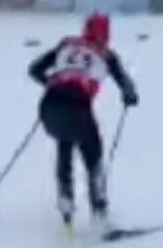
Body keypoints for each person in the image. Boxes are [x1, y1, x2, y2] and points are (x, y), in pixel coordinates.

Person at [28, 12, 139, 231]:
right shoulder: (107, 55)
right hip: (78, 108)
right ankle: (99, 217)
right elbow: (126, 85)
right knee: (93, 159)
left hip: (49, 106)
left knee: (64, 146)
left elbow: (34, 70)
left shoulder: (66, 44)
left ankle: (66, 211)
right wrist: (129, 96)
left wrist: (51, 81)